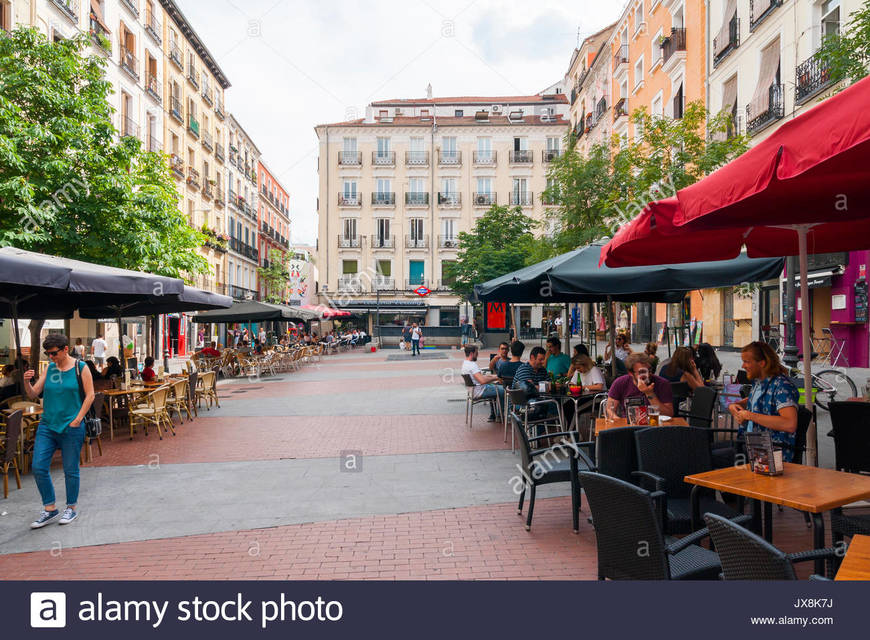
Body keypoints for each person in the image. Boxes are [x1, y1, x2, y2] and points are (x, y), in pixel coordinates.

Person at [22, 334, 94, 528]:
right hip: (47, 425)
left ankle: (71, 507)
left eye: (54, 353)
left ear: (64, 349)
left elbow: (90, 395)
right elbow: (34, 394)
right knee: (38, 467)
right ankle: (50, 508)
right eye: (48, 354)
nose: (51, 357)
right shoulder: (50, 368)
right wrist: (27, 382)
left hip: (71, 426)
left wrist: (78, 420)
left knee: (70, 470)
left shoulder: (80, 368)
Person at [728, 342, 799, 461]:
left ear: (762, 363)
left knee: (704, 454)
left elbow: (790, 424)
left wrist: (750, 415)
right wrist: (734, 406)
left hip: (770, 453)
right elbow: (753, 400)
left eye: (747, 362)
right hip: (750, 444)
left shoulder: (782, 386)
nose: (743, 366)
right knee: (705, 450)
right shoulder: (759, 382)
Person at [606, 353, 674, 419]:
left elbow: (668, 414)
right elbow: (609, 409)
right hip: (629, 425)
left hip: (655, 425)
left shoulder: (662, 383)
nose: (647, 375)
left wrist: (649, 393)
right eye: (642, 372)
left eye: (649, 370)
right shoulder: (620, 383)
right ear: (631, 373)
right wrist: (617, 420)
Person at [460, 345, 505, 422]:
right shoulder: (472, 365)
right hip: (480, 391)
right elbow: (482, 381)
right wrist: (497, 378)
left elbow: (480, 377)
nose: (478, 354)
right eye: (476, 353)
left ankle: (494, 415)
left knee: (494, 387)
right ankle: (500, 416)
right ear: (471, 353)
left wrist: (493, 376)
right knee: (503, 390)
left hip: (474, 391)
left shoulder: (465, 364)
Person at [660, 346, 705, 413]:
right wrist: (694, 370)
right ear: (688, 360)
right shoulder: (685, 375)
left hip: (663, 404)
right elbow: (701, 390)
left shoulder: (663, 368)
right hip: (681, 408)